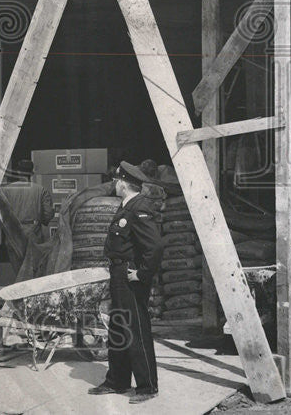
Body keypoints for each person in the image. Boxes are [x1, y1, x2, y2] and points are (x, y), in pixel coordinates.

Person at [88, 161, 163, 404]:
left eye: (116, 181)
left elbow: (154, 246)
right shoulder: (126, 206)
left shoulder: (139, 207)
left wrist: (142, 274)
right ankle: (117, 381)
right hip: (119, 274)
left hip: (130, 276)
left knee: (136, 330)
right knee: (118, 329)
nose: (114, 184)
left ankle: (147, 386)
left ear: (123, 183)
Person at [0, 158, 54, 274]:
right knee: (33, 271)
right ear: (31, 173)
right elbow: (47, 215)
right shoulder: (40, 190)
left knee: (18, 271)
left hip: (12, 233)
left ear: (18, 172)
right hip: (33, 233)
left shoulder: (5, 190)